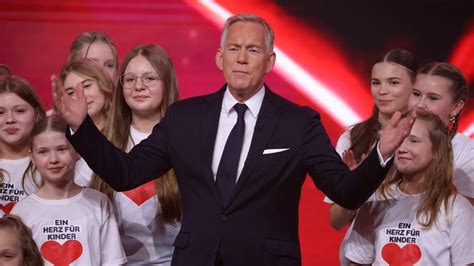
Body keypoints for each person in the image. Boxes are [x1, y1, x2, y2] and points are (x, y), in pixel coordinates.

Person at [53, 14, 414, 266]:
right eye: (235, 49)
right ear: (219, 57)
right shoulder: (185, 117)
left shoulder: (298, 122)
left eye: (253, 50)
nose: (242, 58)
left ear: (270, 61)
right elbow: (126, 173)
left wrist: (381, 153)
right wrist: (82, 128)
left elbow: (344, 190)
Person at [89, 44, 181, 265]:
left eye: (149, 78)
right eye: (129, 79)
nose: (139, 86)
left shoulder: (187, 142)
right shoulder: (99, 144)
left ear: (166, 83)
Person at [345, 110, 474, 265]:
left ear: (436, 150)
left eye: (413, 140)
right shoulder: (377, 200)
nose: (402, 148)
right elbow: (357, 262)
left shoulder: (457, 208)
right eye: (400, 140)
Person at [325, 48, 417, 265]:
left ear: (415, 86)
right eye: (376, 83)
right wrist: (358, 183)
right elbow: (336, 221)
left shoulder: (429, 139)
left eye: (393, 83)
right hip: (361, 256)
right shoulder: (353, 138)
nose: (382, 91)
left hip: (419, 251)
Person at [11, 115, 127, 265]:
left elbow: (113, 261)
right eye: (43, 152)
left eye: (61, 149)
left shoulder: (98, 203)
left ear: (78, 151)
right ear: (32, 157)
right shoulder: (22, 211)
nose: (53, 159)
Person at [408, 62, 473, 204]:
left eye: (433, 98)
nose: (420, 104)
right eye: (416, 94)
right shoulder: (386, 141)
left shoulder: (469, 153)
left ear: (456, 107)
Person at [60, 58, 114, 187]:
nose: (81, 96)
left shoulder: (126, 130)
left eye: (87, 86)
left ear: (103, 84)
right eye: (71, 92)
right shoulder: (60, 136)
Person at [0, 76, 46, 216]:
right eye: (0, 112)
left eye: (19, 111)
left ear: (36, 113)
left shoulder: (51, 163)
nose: (10, 120)